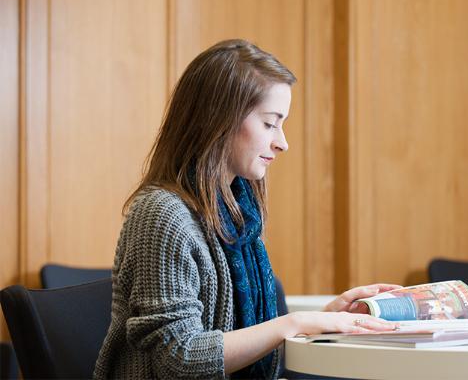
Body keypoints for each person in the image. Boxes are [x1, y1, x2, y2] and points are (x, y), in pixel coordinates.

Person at [94, 39, 399, 380]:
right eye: (270, 123)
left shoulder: (235, 212)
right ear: (218, 121)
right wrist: (296, 323)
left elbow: (241, 339)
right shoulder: (162, 216)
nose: (282, 142)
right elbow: (177, 359)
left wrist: (324, 317)